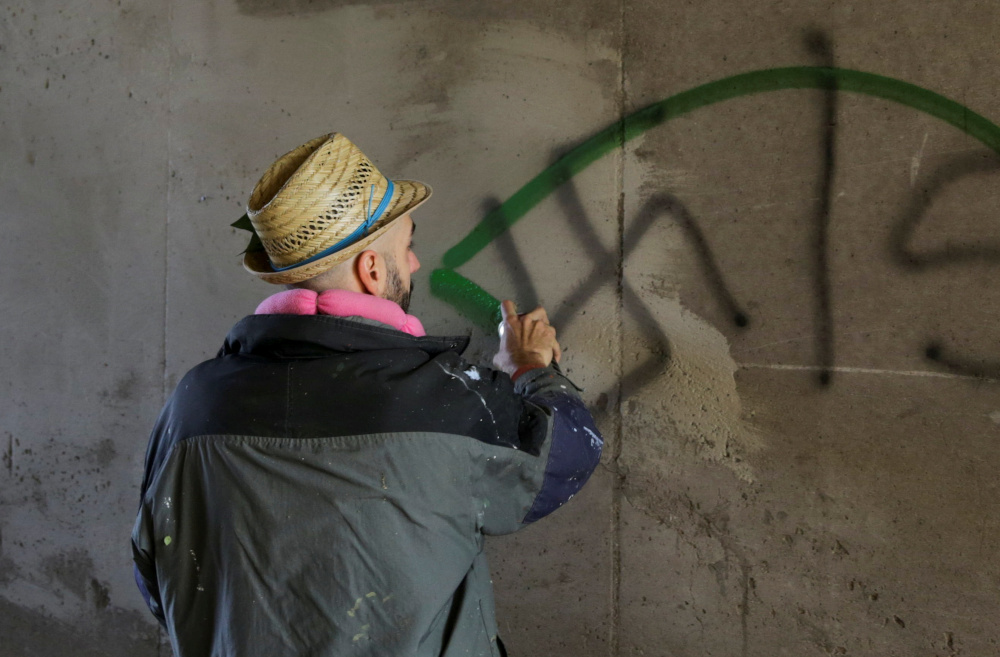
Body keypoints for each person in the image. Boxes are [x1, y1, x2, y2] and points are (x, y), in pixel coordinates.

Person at [131, 132, 603, 657]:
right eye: (409, 246)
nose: (417, 264)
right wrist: (530, 369)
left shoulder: (192, 407)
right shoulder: (444, 400)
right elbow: (569, 453)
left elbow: (159, 571)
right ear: (372, 271)